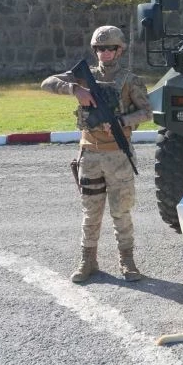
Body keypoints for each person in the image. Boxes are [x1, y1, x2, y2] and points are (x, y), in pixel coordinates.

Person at [41, 25, 152, 283]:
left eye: (110, 48)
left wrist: (121, 121)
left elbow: (146, 112)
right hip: (90, 155)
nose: (105, 52)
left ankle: (127, 261)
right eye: (100, 48)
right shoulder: (83, 76)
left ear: (119, 50)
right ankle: (87, 260)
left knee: (121, 212)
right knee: (91, 213)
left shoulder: (130, 80)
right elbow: (47, 83)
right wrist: (75, 90)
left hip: (118, 156)